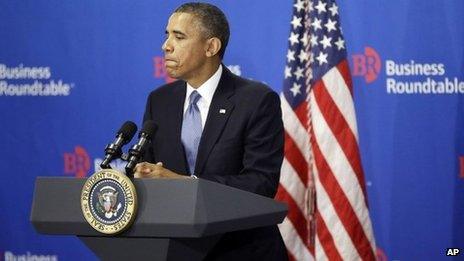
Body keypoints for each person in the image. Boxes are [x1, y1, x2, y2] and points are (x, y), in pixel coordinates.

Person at [134, 2, 287, 260]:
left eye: (179, 36)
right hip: (174, 249)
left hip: (241, 250)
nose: (166, 46)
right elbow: (147, 164)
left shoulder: (256, 100)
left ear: (211, 47)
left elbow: (261, 182)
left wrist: (184, 184)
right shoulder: (159, 101)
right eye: (167, 35)